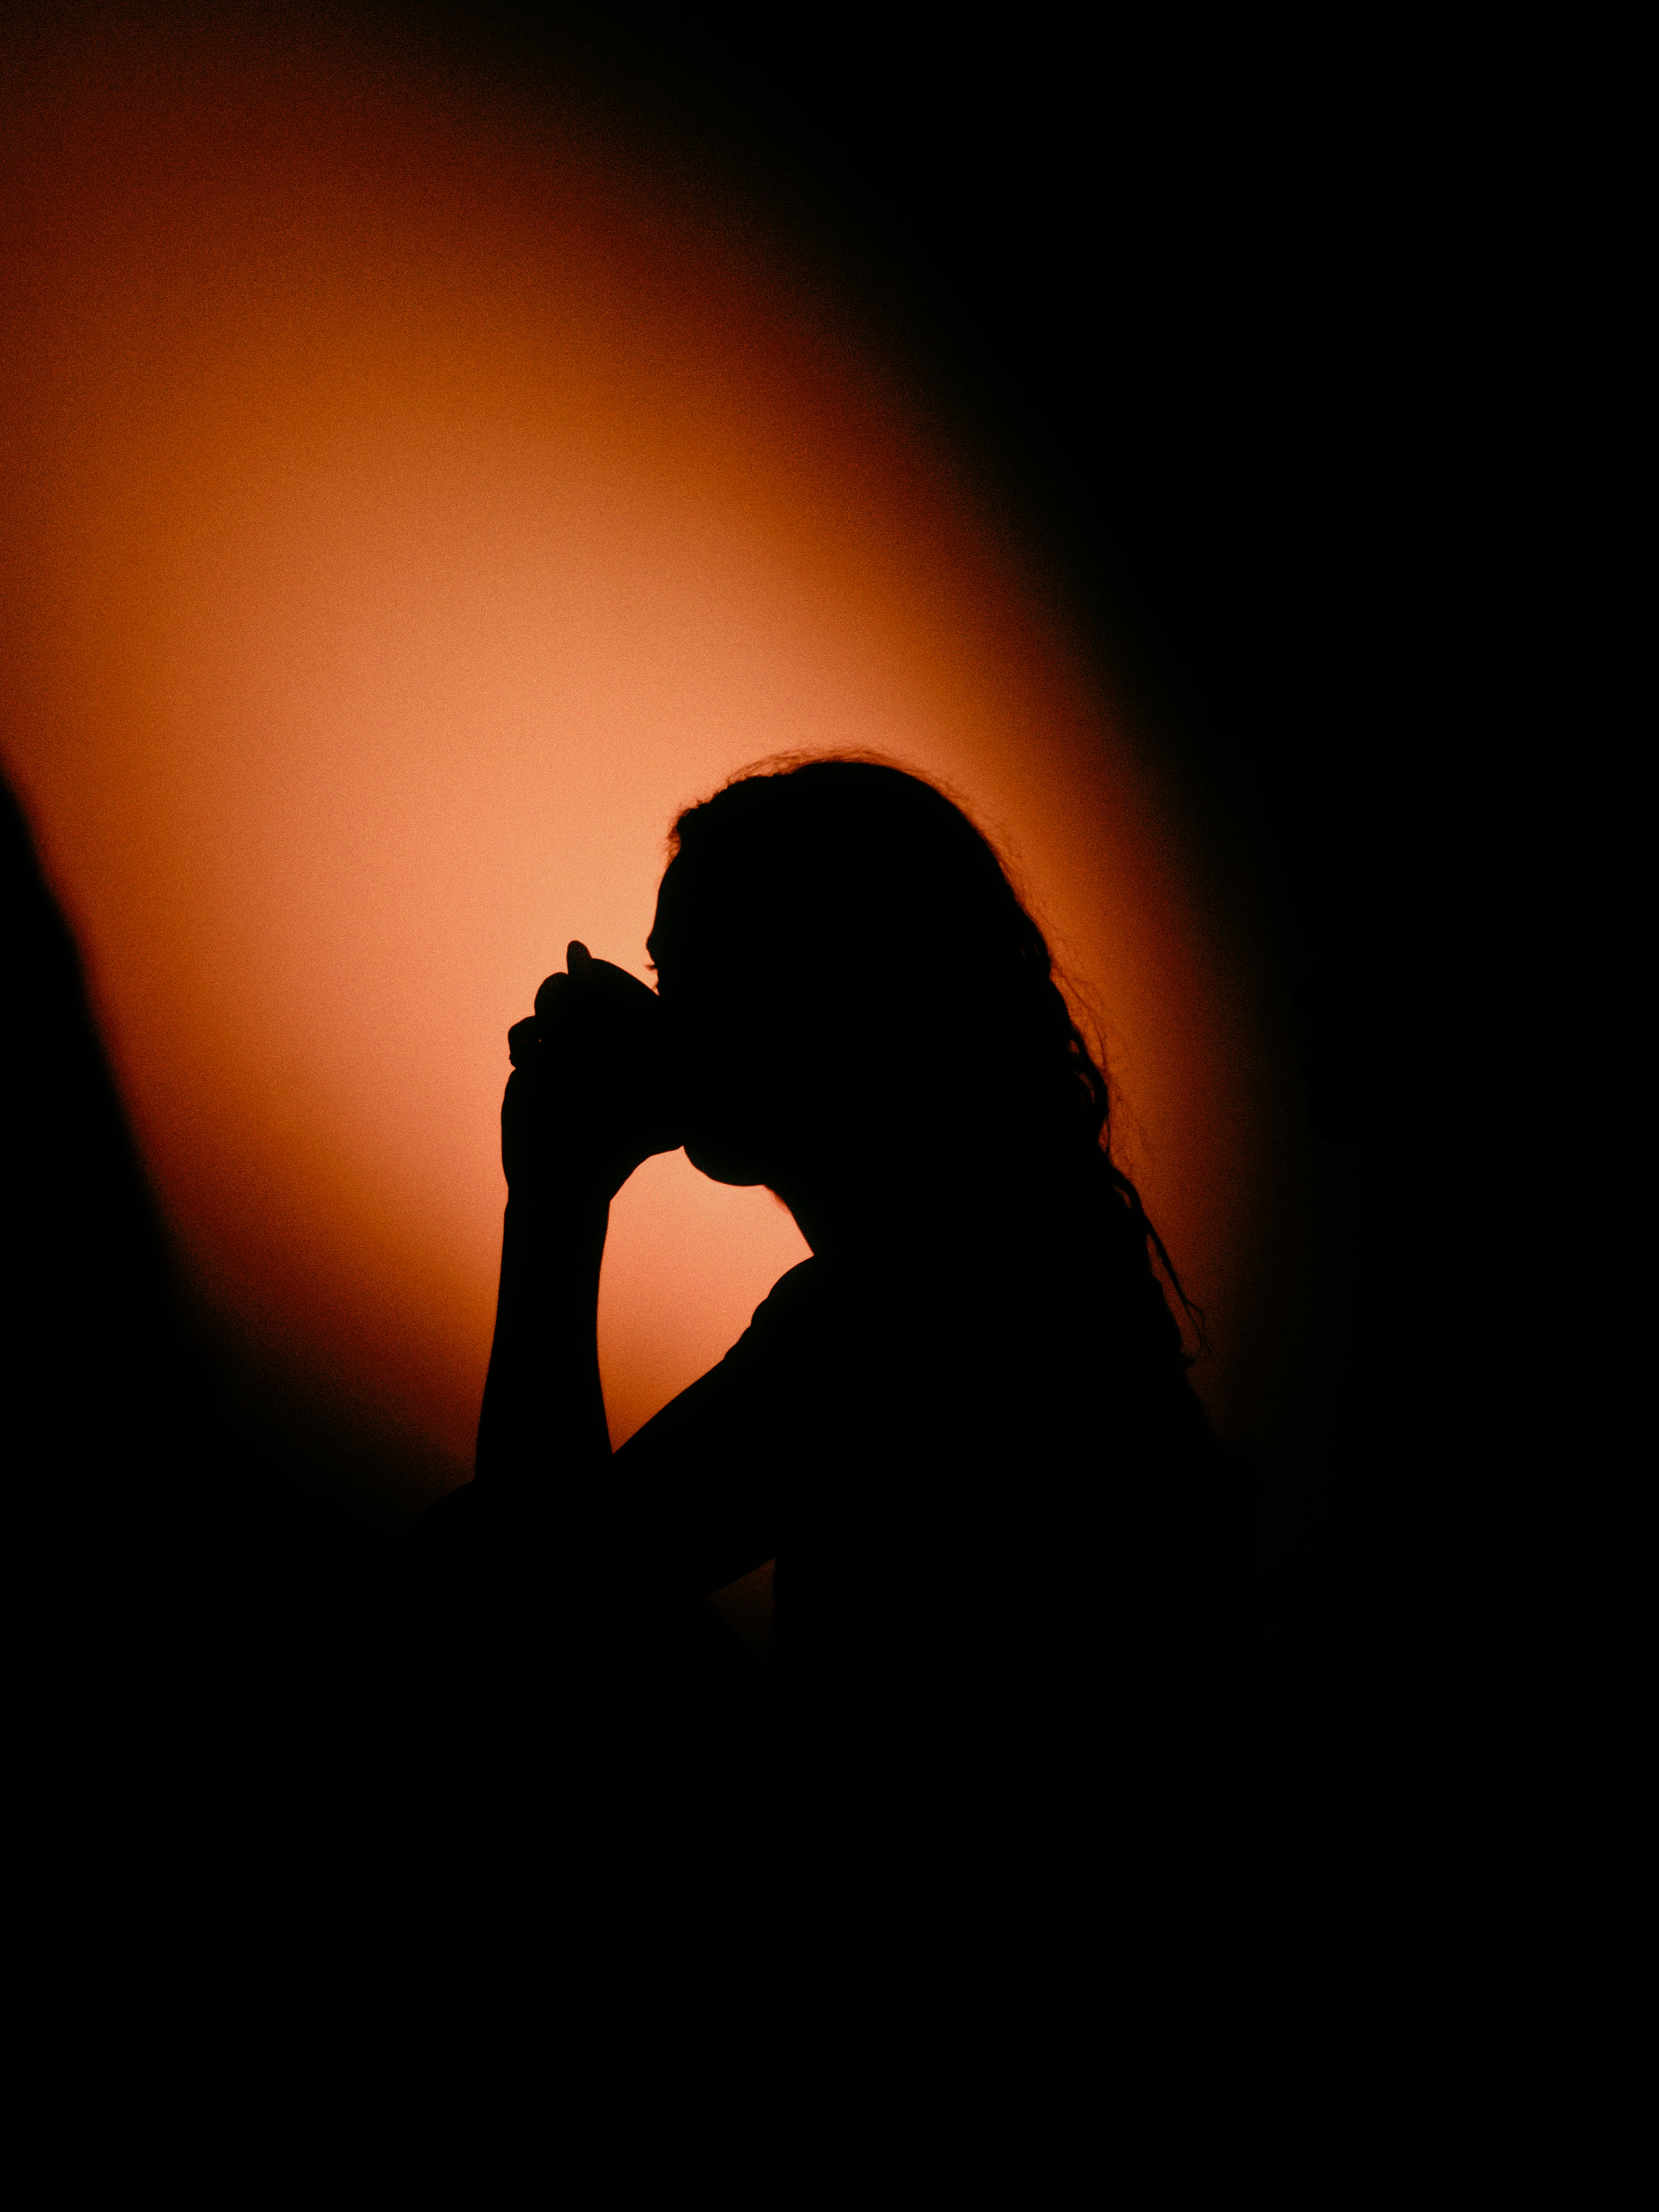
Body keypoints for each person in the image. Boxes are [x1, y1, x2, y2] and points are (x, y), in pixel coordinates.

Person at [388, 756, 1251, 1898]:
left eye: (716, 974)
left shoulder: (901, 1327)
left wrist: (555, 1198)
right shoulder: (997, 1278)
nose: (672, 1018)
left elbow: (539, 1593)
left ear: (847, 995)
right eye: (667, 974)